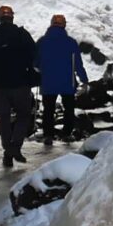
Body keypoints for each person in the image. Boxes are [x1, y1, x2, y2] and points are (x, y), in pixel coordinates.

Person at [0, 4, 40, 167]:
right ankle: (15, 148)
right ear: (12, 17)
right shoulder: (22, 34)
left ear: (0, 18)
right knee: (23, 115)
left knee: (5, 119)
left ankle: (8, 151)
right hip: (21, 84)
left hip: (0, 87)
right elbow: (35, 55)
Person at [36, 13, 89, 148]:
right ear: (64, 25)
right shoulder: (70, 42)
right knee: (69, 108)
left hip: (48, 81)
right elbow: (77, 63)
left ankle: (48, 135)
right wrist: (84, 80)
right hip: (67, 82)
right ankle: (66, 133)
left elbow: (35, 62)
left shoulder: (42, 41)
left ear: (51, 24)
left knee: (48, 109)